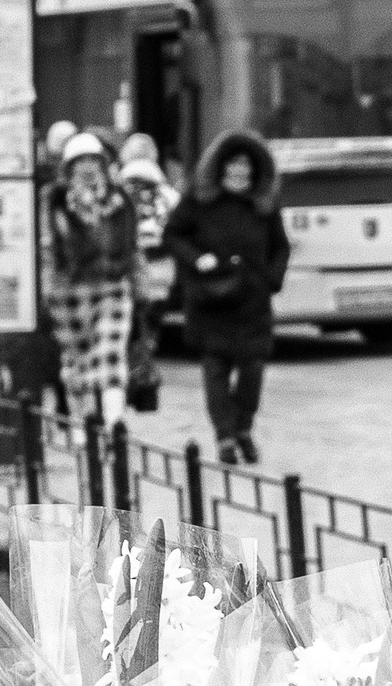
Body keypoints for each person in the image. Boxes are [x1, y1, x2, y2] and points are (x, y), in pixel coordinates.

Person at [164, 129, 289, 465]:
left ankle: (244, 428)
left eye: (245, 165)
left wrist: (271, 279)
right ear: (219, 167)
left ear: (256, 169)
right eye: (233, 164)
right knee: (216, 368)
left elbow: (280, 246)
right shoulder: (198, 200)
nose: (239, 171)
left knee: (253, 369)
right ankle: (225, 437)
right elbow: (173, 235)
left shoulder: (264, 204)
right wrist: (197, 259)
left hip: (253, 301)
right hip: (211, 299)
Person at [41, 130, 138, 425]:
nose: (87, 166)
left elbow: (132, 243)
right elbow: (46, 245)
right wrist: (46, 284)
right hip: (68, 287)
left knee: (110, 353)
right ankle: (82, 426)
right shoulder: (55, 201)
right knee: (76, 360)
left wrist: (139, 279)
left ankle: (114, 425)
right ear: (68, 167)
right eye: (79, 160)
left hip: (112, 284)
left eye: (92, 159)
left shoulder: (120, 199)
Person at [116, 132, 179, 411]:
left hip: (127, 268)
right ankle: (143, 367)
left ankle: (131, 373)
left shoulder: (116, 190)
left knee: (128, 323)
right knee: (149, 325)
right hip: (161, 268)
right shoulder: (167, 193)